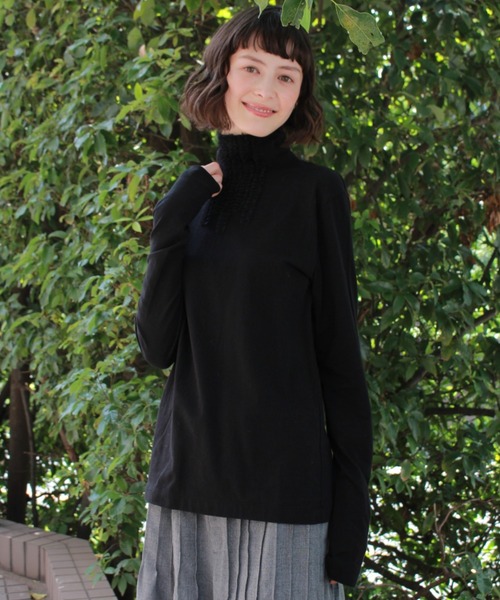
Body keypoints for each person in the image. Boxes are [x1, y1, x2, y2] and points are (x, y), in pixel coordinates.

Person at [135, 6, 372, 600]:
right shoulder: (192, 195)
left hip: (286, 500)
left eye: (286, 76)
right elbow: (157, 348)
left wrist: (350, 526)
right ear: (222, 73)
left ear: (300, 93)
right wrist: (169, 222)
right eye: (252, 68)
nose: (266, 90)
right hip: (186, 488)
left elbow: (341, 363)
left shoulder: (317, 193)